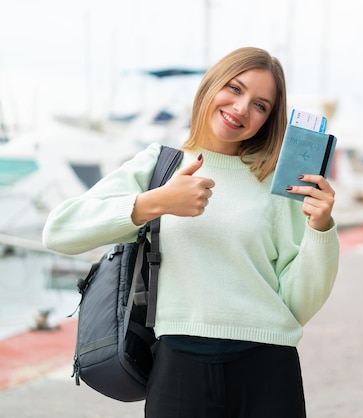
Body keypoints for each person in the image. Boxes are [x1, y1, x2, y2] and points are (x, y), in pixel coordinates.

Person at [42, 47, 340, 418]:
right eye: (234, 88)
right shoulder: (159, 164)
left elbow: (298, 304)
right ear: (211, 86)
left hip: (267, 365)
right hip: (179, 364)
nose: (242, 108)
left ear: (268, 120)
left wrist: (321, 228)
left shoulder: (274, 183)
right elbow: (58, 231)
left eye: (261, 105)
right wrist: (156, 202)